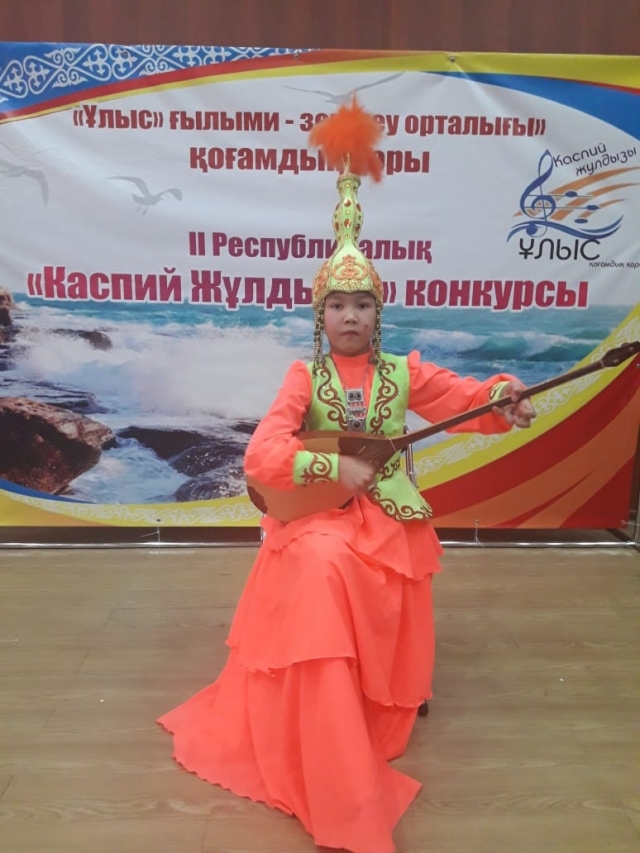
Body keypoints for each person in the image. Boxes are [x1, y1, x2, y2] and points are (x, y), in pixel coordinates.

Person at [157, 102, 536, 853]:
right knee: (322, 559)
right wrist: (334, 464)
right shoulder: (304, 376)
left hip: (388, 517)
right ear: (321, 313)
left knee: (353, 560)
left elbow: (466, 400)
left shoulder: (403, 371)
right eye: (338, 304)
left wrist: (504, 397)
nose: (351, 316)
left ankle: (372, 702)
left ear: (378, 312)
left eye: (363, 304)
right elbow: (263, 456)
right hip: (322, 513)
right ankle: (322, 718)